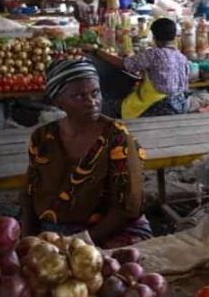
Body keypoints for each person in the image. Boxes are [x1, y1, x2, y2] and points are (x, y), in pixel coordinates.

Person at [19, 59, 152, 249]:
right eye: (80, 96)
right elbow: (29, 195)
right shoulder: (43, 138)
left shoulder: (117, 139)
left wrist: (79, 242)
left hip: (110, 229)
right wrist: (27, 242)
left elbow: (127, 208)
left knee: (109, 262)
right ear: (58, 101)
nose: (91, 102)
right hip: (56, 228)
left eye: (95, 93)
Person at [121, 18, 189, 117]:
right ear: (174, 37)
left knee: (114, 105)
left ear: (154, 36)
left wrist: (99, 53)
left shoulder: (153, 54)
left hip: (159, 106)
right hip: (180, 106)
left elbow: (126, 65)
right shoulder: (182, 58)